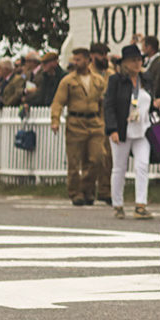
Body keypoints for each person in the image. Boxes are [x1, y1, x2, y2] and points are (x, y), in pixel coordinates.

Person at [49, 47, 108, 207]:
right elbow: (58, 102)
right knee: (74, 162)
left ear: (88, 60)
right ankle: (76, 193)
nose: (76, 62)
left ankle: (88, 189)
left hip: (95, 124)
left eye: (79, 59)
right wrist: (55, 120)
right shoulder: (68, 81)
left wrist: (103, 121)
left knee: (96, 158)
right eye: (74, 59)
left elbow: (103, 103)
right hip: (76, 123)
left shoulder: (98, 80)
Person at [104, 45, 155, 219]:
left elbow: (149, 102)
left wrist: (156, 104)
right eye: (133, 60)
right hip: (122, 130)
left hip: (143, 131)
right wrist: (112, 129)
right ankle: (117, 204)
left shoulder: (146, 79)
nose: (137, 63)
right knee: (119, 168)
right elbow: (109, 106)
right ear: (124, 63)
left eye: (139, 60)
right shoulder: (116, 81)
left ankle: (141, 204)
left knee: (142, 166)